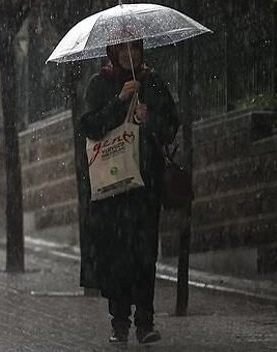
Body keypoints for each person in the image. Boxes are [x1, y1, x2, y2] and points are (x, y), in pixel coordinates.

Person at [80, 39, 179, 345]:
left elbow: (171, 126)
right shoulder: (100, 84)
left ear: (141, 50)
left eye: (134, 48)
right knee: (117, 255)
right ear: (113, 52)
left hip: (145, 186)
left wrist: (151, 118)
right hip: (112, 188)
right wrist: (119, 101)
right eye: (122, 49)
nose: (128, 54)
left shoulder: (152, 82)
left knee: (145, 254)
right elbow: (90, 126)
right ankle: (119, 321)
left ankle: (145, 321)